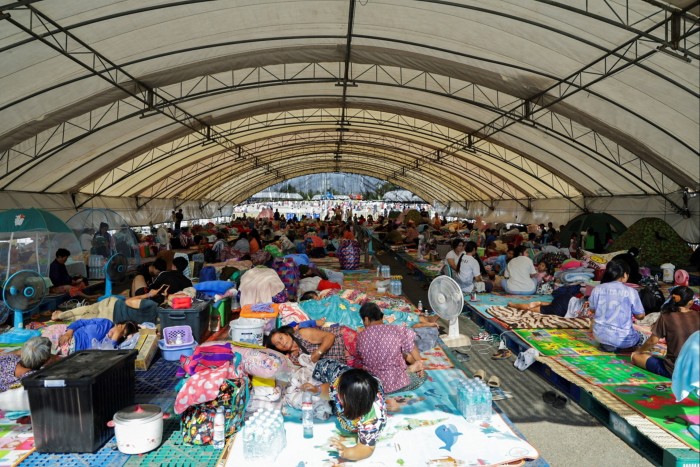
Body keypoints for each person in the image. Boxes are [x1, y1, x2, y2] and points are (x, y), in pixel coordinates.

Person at [302, 359, 388, 461]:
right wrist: (317, 390)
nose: (336, 393)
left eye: (340, 395)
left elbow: (367, 448)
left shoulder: (372, 418)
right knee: (324, 366)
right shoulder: (341, 386)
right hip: (358, 378)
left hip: (369, 389)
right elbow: (330, 389)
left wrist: (347, 452)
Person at [356, 303, 426, 394]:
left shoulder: (361, 337)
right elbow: (412, 347)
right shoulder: (396, 330)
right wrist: (420, 364)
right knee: (422, 377)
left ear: (366, 319)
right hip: (397, 382)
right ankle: (410, 370)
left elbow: (360, 356)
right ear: (381, 317)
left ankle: (410, 370)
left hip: (375, 385)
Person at [631, 286, 699, 377]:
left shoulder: (666, 316)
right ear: (690, 303)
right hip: (696, 370)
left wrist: (638, 351)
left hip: (675, 370)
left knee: (636, 357)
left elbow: (652, 341)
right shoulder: (697, 315)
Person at [589, 260, 646, 352]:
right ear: (624, 275)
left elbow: (592, 309)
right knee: (643, 336)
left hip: (599, 336)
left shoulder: (597, 289)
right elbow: (640, 316)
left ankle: (609, 344)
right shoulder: (631, 291)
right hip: (623, 339)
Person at [51, 290, 162, 324]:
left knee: (87, 308)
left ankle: (60, 315)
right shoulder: (153, 323)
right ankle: (61, 317)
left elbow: (129, 301)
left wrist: (148, 295)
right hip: (110, 320)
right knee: (82, 319)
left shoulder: (151, 305)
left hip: (111, 305)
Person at [267, 324, 349, 366]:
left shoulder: (302, 334)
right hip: (346, 360)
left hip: (345, 341)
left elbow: (330, 336)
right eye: (277, 344)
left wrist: (318, 352)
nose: (282, 343)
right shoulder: (293, 358)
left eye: (281, 338)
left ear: (287, 334)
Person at [57, 318, 138, 354]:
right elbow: (81, 322)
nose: (117, 332)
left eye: (121, 334)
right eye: (120, 328)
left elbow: (105, 353)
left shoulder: (114, 345)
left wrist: (116, 335)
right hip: (68, 336)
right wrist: (68, 333)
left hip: (71, 353)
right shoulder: (106, 323)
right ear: (118, 324)